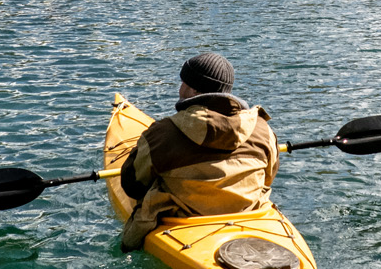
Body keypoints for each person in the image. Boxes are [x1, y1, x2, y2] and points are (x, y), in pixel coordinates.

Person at [119, 53, 278, 252]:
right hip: (249, 217)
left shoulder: (163, 134)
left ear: (192, 89)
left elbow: (132, 185)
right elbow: (268, 178)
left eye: (183, 82)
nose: (180, 88)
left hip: (183, 224)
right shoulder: (263, 129)